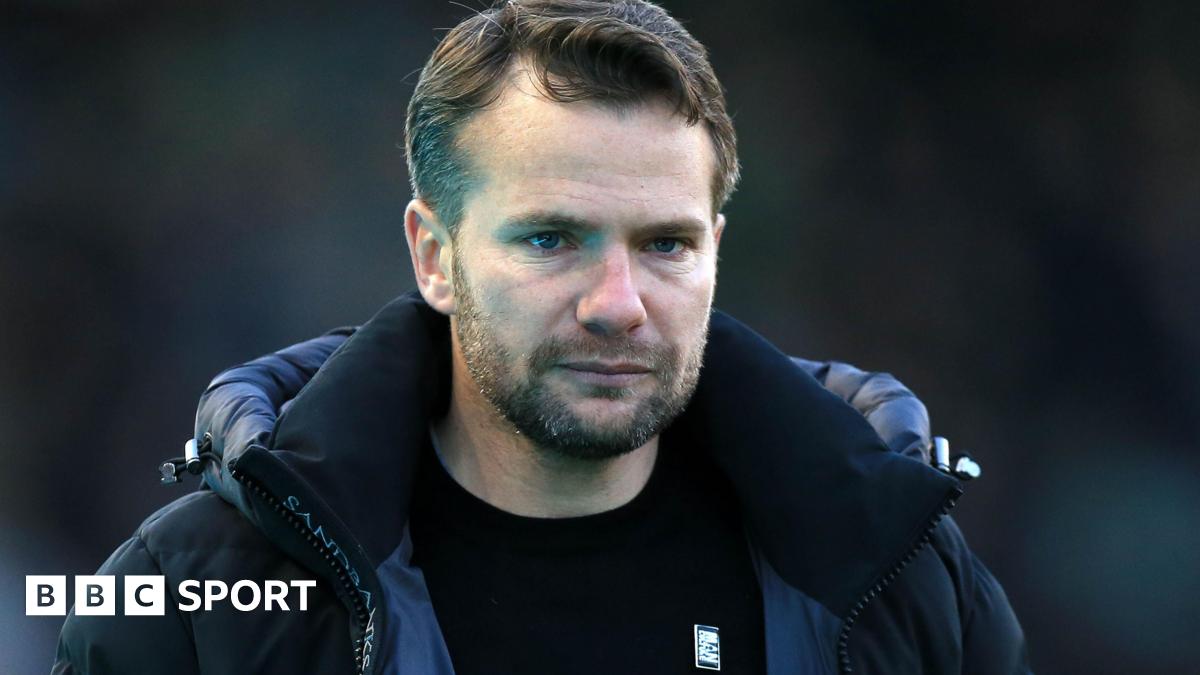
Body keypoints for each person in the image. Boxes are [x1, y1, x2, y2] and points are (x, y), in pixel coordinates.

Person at [53, 1, 1029, 673]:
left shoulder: (907, 581)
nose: (618, 303)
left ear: (715, 252)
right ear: (433, 257)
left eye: (666, 244)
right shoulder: (189, 597)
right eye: (551, 239)